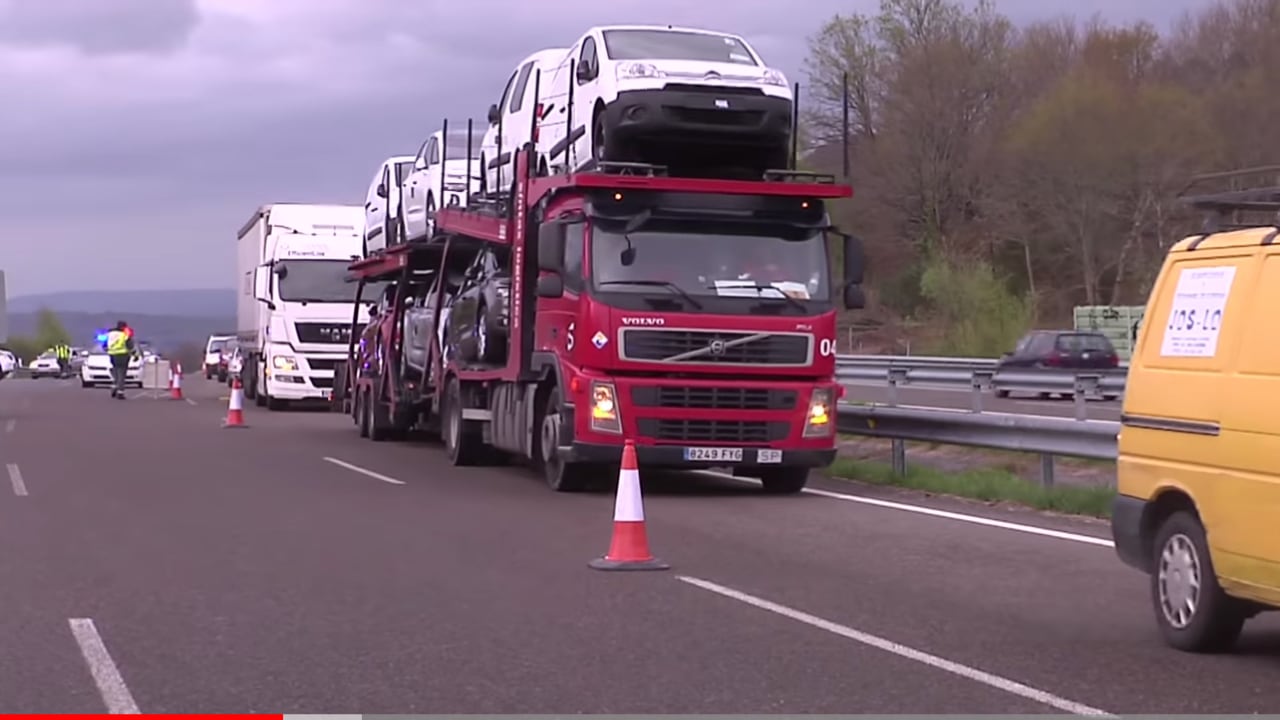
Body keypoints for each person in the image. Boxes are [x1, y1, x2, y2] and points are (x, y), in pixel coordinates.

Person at [101, 321, 135, 398]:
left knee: (115, 370)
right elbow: (130, 346)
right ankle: (120, 392)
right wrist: (134, 354)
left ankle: (114, 386)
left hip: (112, 355)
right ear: (123, 327)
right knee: (121, 373)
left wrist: (109, 351)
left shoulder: (110, 334)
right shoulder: (124, 335)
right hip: (122, 355)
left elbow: (104, 345)